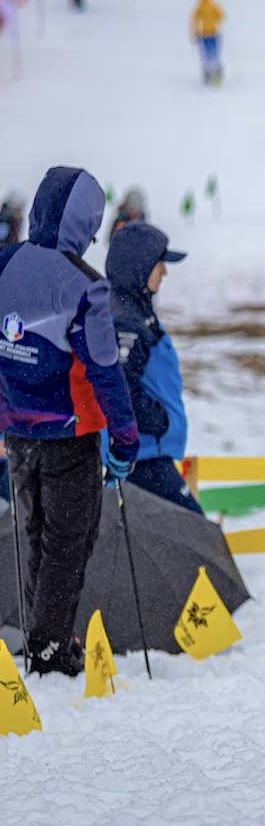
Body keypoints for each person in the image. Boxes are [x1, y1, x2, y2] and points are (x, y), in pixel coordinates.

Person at [0, 167, 139, 676]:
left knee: (37, 532)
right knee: (70, 540)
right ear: (84, 221)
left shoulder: (5, 263)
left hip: (16, 429)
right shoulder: (85, 286)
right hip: (69, 432)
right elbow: (105, 370)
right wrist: (125, 441)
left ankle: (46, 637)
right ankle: (50, 649)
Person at [106, 222, 198, 514]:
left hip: (149, 453)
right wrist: (159, 421)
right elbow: (119, 387)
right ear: (140, 266)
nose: (165, 271)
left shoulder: (136, 308)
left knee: (171, 541)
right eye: (160, 263)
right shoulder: (126, 320)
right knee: (192, 529)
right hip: (144, 456)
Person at [190, 0, 225, 86]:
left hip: (206, 34)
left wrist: (194, 32)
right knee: (214, 53)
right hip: (212, 33)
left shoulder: (199, 7)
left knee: (206, 54)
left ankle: (209, 73)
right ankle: (215, 72)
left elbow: (194, 21)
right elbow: (221, 16)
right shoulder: (212, 5)